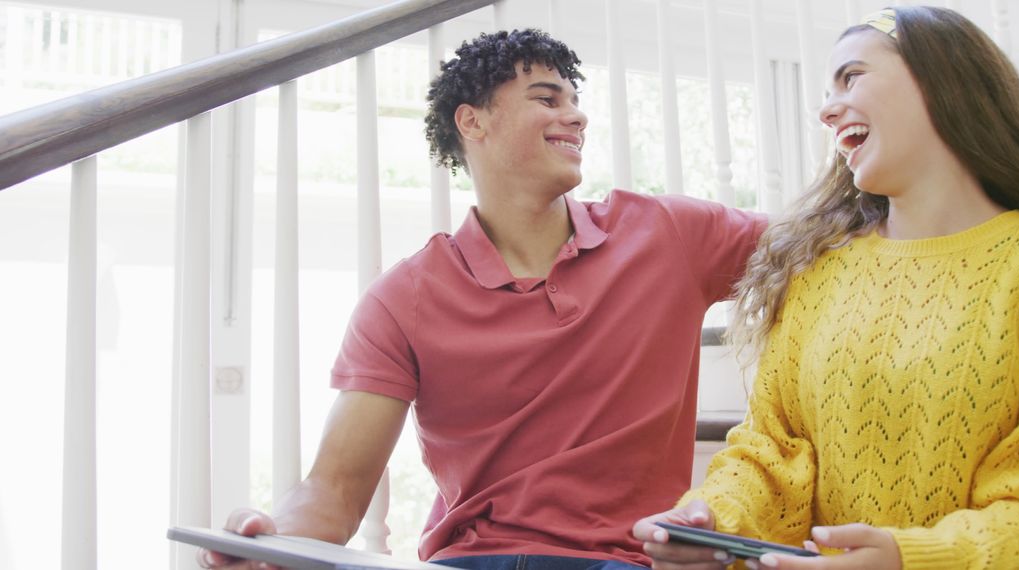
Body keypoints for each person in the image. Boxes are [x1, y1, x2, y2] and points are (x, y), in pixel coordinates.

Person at [201, 29, 767, 570]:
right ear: (473, 121)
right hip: (469, 559)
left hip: (620, 560)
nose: (576, 115)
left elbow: (819, 241)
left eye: (575, 101)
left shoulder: (667, 234)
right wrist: (270, 541)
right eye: (547, 99)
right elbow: (336, 490)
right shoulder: (405, 297)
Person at [634, 6, 1019, 570]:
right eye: (827, 90)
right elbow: (771, 450)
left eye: (851, 77)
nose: (826, 109)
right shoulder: (818, 274)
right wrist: (713, 517)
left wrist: (908, 558)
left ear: (942, 76)